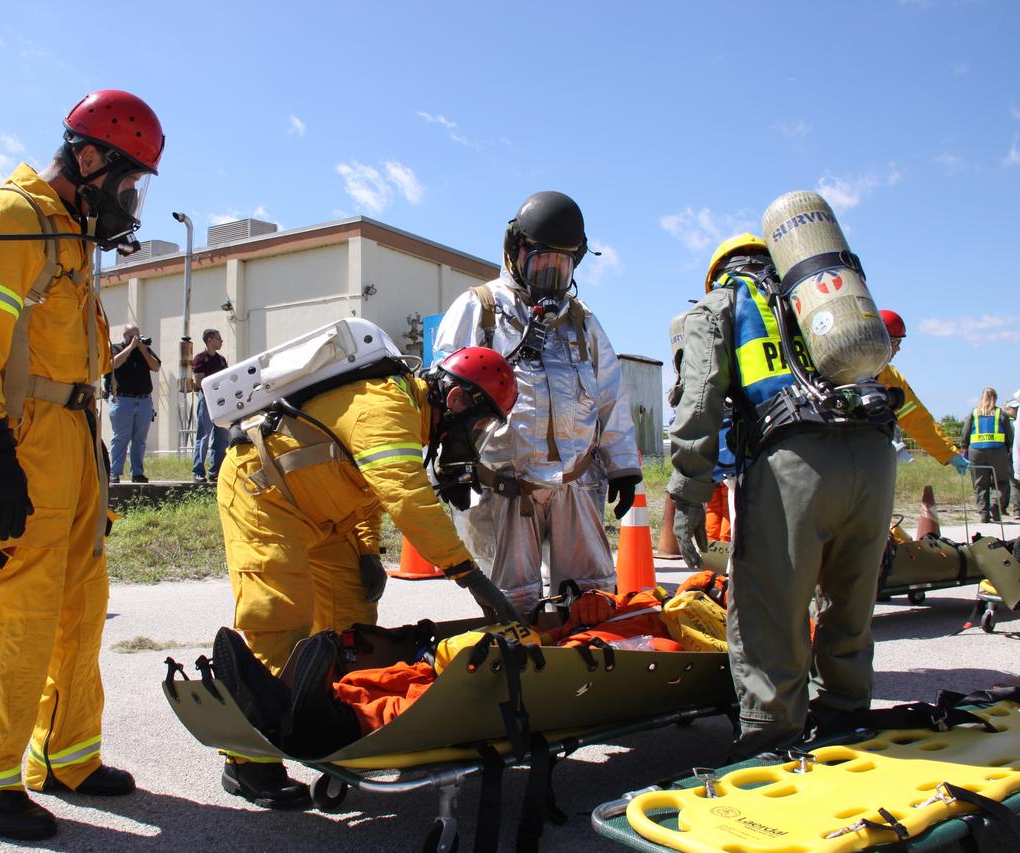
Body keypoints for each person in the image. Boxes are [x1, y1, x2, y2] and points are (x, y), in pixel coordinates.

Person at [0, 89, 164, 841]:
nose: (131, 199)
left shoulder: (68, 233)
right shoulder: (11, 217)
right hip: (17, 436)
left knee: (79, 603)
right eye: (128, 180)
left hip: (71, 431)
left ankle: (67, 753)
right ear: (89, 157)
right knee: (19, 608)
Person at [216, 344, 521, 808]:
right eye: (478, 424)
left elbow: (363, 489)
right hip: (265, 496)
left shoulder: (406, 415)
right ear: (457, 400)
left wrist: (365, 551)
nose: (473, 436)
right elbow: (405, 494)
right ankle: (249, 762)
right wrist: (470, 576)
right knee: (278, 617)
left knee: (352, 621)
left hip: (323, 512)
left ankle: (342, 723)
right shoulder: (386, 404)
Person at [669, 233, 896, 759]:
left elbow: (700, 400)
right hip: (875, 456)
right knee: (850, 606)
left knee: (769, 611)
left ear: (717, 271)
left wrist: (688, 493)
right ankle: (845, 723)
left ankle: (770, 743)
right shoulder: (824, 301)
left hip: (797, 462)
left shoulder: (722, 301)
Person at [433, 191, 640, 614]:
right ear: (516, 252)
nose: (552, 274)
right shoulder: (480, 309)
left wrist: (623, 467)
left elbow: (610, 397)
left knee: (591, 600)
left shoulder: (583, 322)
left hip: (575, 486)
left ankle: (589, 672)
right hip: (505, 488)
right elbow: (443, 395)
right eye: (543, 261)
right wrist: (448, 467)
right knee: (513, 608)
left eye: (562, 265)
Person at [876, 310, 971, 476]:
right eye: (896, 343)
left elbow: (917, 419)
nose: (898, 350)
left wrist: (948, 453)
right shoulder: (835, 367)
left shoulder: (891, 378)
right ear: (882, 341)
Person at [106, 323, 160, 484]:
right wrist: (130, 348)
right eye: (131, 336)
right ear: (125, 336)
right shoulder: (116, 348)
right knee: (120, 438)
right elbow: (113, 364)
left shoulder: (144, 350)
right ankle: (114, 473)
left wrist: (142, 349)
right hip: (122, 400)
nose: (135, 339)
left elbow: (156, 366)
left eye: (137, 335)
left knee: (140, 439)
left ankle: (137, 473)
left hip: (143, 400)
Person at [961, 387, 1014, 523]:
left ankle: (984, 514)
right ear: (995, 398)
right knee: (1001, 482)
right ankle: (996, 507)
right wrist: (1009, 448)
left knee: (980, 483)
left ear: (981, 398)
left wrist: (964, 448)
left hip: (976, 452)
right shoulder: (1000, 413)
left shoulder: (973, 413)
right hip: (998, 451)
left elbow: (965, 432)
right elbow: (1009, 434)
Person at [191, 328, 228, 482]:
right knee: (204, 435)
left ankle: (216, 470)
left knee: (221, 436)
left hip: (221, 400)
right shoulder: (200, 358)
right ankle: (198, 471)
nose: (221, 341)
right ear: (210, 339)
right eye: (218, 338)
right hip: (206, 399)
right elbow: (199, 382)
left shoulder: (221, 360)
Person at [1006, 399, 1020, 517]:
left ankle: (1016, 509)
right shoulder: (1014, 423)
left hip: (1012, 456)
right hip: (1013, 455)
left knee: (1014, 483)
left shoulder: (1010, 423)